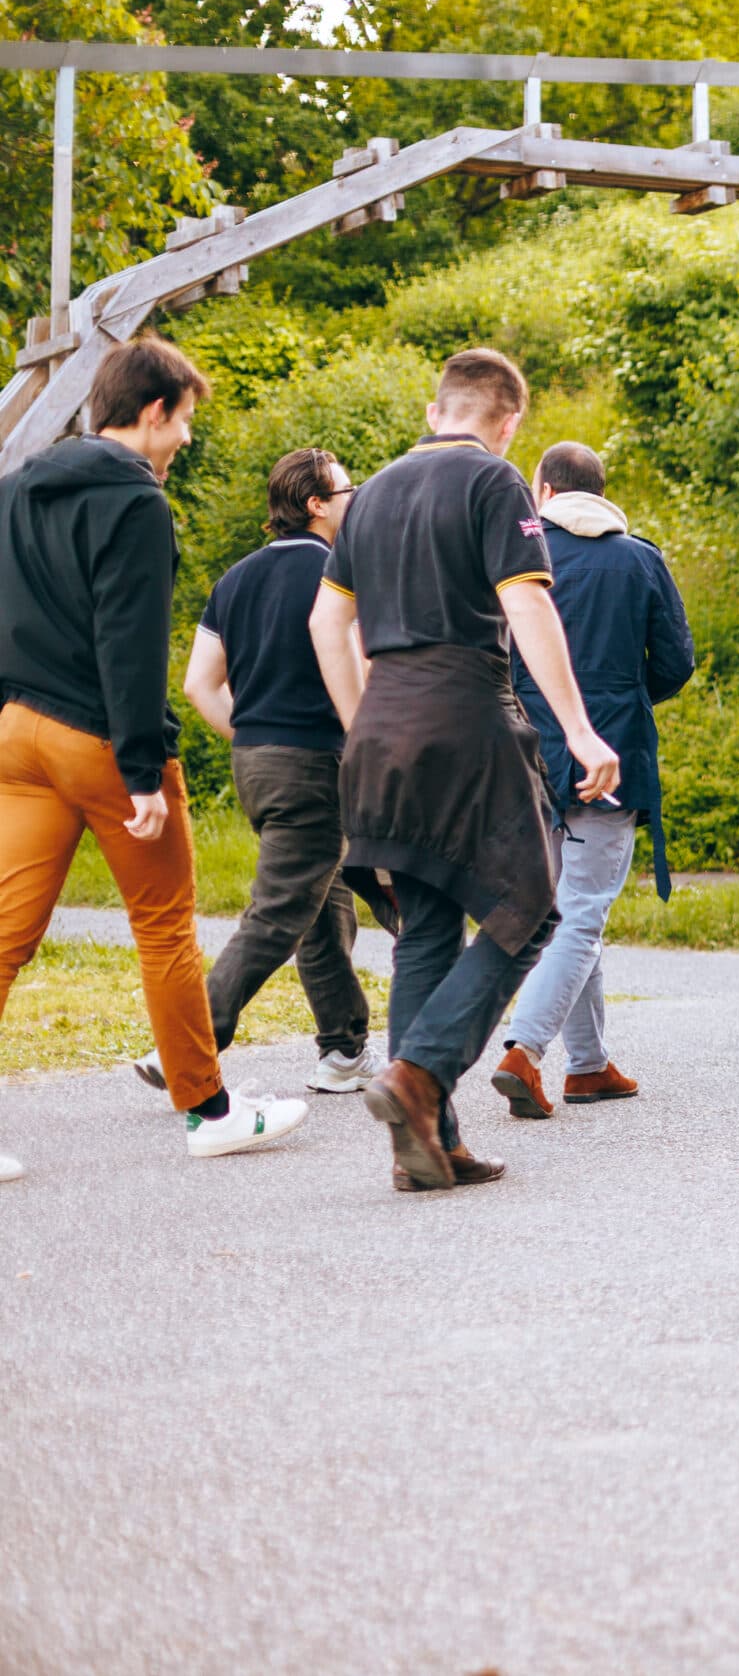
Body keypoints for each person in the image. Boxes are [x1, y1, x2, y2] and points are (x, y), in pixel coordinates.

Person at [310, 348, 621, 1193]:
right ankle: (419, 1076)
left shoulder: (367, 494)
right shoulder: (495, 484)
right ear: (509, 419)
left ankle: (429, 1147)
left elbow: (324, 622)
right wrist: (582, 732)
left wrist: (359, 720)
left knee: (430, 923)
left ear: (434, 405)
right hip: (464, 716)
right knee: (535, 911)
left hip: (380, 733)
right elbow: (526, 602)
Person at [0, 336, 307, 1179]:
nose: (187, 441)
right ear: (153, 411)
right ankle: (209, 1112)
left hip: (18, 733)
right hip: (100, 742)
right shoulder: (136, 505)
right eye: (186, 423)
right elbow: (127, 643)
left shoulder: (16, 486)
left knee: (4, 937)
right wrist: (141, 771)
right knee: (165, 930)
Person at [134, 448, 378, 1100]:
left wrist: (251, 734)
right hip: (316, 762)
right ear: (315, 503)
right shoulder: (340, 576)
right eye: (346, 490)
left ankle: (344, 1049)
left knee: (322, 905)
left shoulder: (235, 580)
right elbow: (364, 669)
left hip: (257, 763)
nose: (356, 500)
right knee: (277, 914)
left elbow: (197, 684)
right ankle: (185, 1043)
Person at [491, 442, 695, 1120]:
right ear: (601, 492)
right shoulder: (640, 558)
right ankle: (525, 1048)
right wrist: (623, 697)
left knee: (570, 910)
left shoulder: (518, 558)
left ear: (542, 490)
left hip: (521, 750)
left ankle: (589, 1065)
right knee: (580, 911)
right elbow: (675, 663)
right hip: (611, 751)